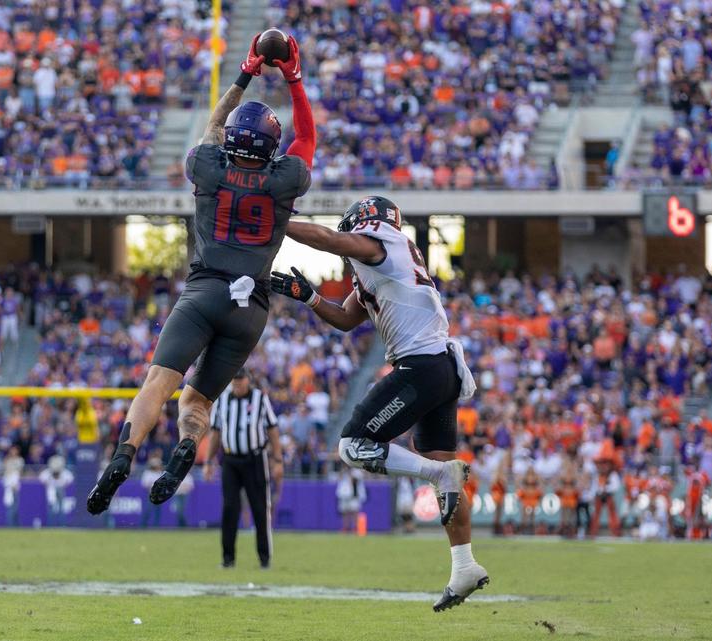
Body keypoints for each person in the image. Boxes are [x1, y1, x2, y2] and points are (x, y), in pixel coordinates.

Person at [86, 31, 315, 516]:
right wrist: (292, 77)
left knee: (158, 384)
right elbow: (308, 138)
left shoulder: (209, 168)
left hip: (205, 289)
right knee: (196, 403)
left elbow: (213, 126)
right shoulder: (283, 179)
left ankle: (123, 458)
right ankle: (187, 446)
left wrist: (247, 71)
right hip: (250, 309)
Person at [271, 196, 485, 612]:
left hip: (421, 366)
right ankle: (465, 565)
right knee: (451, 476)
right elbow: (348, 318)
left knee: (352, 445)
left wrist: (276, 222)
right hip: (440, 369)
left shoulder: (379, 242)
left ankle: (436, 476)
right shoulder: (390, 263)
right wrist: (309, 296)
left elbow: (329, 241)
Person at [202, 369, 283, 568]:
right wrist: (208, 462)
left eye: (240, 381)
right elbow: (215, 433)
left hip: (255, 459)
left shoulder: (259, 399)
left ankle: (264, 559)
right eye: (234, 381)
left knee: (260, 508)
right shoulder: (222, 401)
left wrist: (278, 460)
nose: (237, 385)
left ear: (247, 380)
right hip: (230, 460)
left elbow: (272, 429)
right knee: (229, 507)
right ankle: (228, 559)